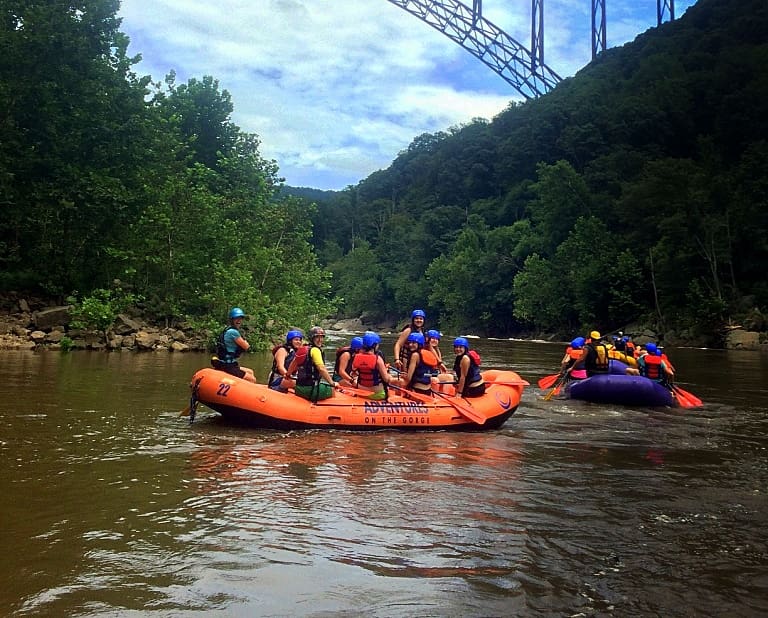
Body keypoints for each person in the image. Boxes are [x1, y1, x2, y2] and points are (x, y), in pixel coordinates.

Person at [282, 326, 338, 401]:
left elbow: (293, 364)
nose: (320, 340)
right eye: (317, 337)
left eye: (321, 337)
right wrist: (332, 383)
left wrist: (288, 375)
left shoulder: (303, 349)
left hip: (299, 388)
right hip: (311, 390)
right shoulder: (315, 350)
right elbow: (321, 368)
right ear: (312, 338)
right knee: (332, 390)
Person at [212, 307, 256, 382]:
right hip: (228, 366)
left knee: (250, 371)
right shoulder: (233, 332)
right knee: (252, 379)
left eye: (240, 318)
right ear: (232, 320)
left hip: (230, 363)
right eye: (236, 318)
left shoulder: (227, 330)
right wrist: (245, 342)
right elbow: (246, 346)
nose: (239, 320)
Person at [351, 332, 393, 400]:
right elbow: (386, 379)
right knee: (389, 379)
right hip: (377, 394)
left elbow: (353, 373)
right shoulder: (378, 359)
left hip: (361, 393)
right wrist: (387, 372)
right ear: (374, 345)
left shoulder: (356, 357)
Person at [395, 331, 436, 396]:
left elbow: (409, 378)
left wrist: (404, 378)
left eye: (413, 343)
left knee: (399, 381)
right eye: (410, 343)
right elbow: (427, 373)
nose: (410, 345)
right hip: (427, 390)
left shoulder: (415, 355)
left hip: (417, 390)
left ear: (419, 344)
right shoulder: (428, 353)